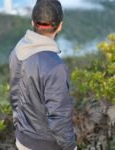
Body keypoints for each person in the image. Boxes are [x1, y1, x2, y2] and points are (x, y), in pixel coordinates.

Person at [9, 0, 76, 149]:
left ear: (33, 22)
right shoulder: (55, 66)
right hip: (46, 145)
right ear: (60, 25)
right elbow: (59, 118)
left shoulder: (17, 51)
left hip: (22, 139)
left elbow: (15, 96)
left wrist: (19, 128)